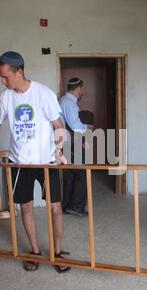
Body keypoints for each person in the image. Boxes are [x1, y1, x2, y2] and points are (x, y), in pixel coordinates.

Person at [0, 51, 70, 273]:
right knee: (25, 207)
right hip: (19, 162)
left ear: (19, 71)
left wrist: (59, 150)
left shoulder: (43, 94)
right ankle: (34, 251)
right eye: (0, 78)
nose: (3, 82)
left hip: (46, 162)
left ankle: (58, 252)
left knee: (55, 208)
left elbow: (58, 125)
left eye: (6, 77)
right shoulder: (5, 97)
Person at [59, 78, 93, 217]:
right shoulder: (68, 103)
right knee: (81, 174)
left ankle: (67, 205)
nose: (82, 92)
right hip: (72, 142)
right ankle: (76, 206)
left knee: (70, 174)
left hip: (67, 141)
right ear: (78, 88)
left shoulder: (64, 101)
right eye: (81, 89)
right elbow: (75, 126)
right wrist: (87, 129)